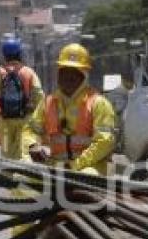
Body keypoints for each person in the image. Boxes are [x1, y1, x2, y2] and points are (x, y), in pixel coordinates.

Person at [23, 43, 116, 176]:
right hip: (57, 166)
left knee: (85, 178)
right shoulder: (48, 103)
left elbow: (105, 142)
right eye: (64, 71)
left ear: (84, 76)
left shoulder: (99, 104)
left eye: (74, 73)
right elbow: (30, 130)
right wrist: (32, 145)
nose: (68, 77)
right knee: (24, 175)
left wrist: (76, 164)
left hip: (93, 166)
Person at [0, 37, 43, 160]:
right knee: (23, 151)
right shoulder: (28, 72)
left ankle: (8, 176)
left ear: (4, 55)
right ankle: (21, 175)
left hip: (3, 120)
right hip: (24, 118)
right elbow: (39, 95)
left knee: (6, 153)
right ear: (20, 54)